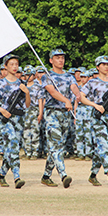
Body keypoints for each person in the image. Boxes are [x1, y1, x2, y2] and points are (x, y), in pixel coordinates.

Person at [0, 54, 30, 189]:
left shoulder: (21, 84)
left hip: (19, 118)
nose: (14, 66)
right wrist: (2, 110)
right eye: (11, 64)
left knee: (11, 148)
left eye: (16, 64)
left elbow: (27, 105)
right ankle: (17, 177)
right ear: (5, 67)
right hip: (6, 119)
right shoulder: (0, 83)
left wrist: (27, 93)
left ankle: (1, 175)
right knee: (13, 145)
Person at [40, 49, 81, 189]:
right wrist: (66, 100)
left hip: (65, 114)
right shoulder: (47, 76)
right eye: (57, 58)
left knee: (58, 147)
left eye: (62, 57)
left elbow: (74, 87)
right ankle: (63, 175)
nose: (60, 60)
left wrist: (77, 94)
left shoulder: (69, 76)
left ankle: (46, 176)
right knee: (55, 144)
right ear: (51, 60)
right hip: (52, 113)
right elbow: (52, 92)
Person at [80, 56, 108, 187]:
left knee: (101, 147)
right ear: (97, 67)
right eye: (103, 64)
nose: (106, 67)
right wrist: (94, 105)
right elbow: (81, 97)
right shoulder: (92, 82)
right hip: (98, 116)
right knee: (104, 145)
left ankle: (93, 175)